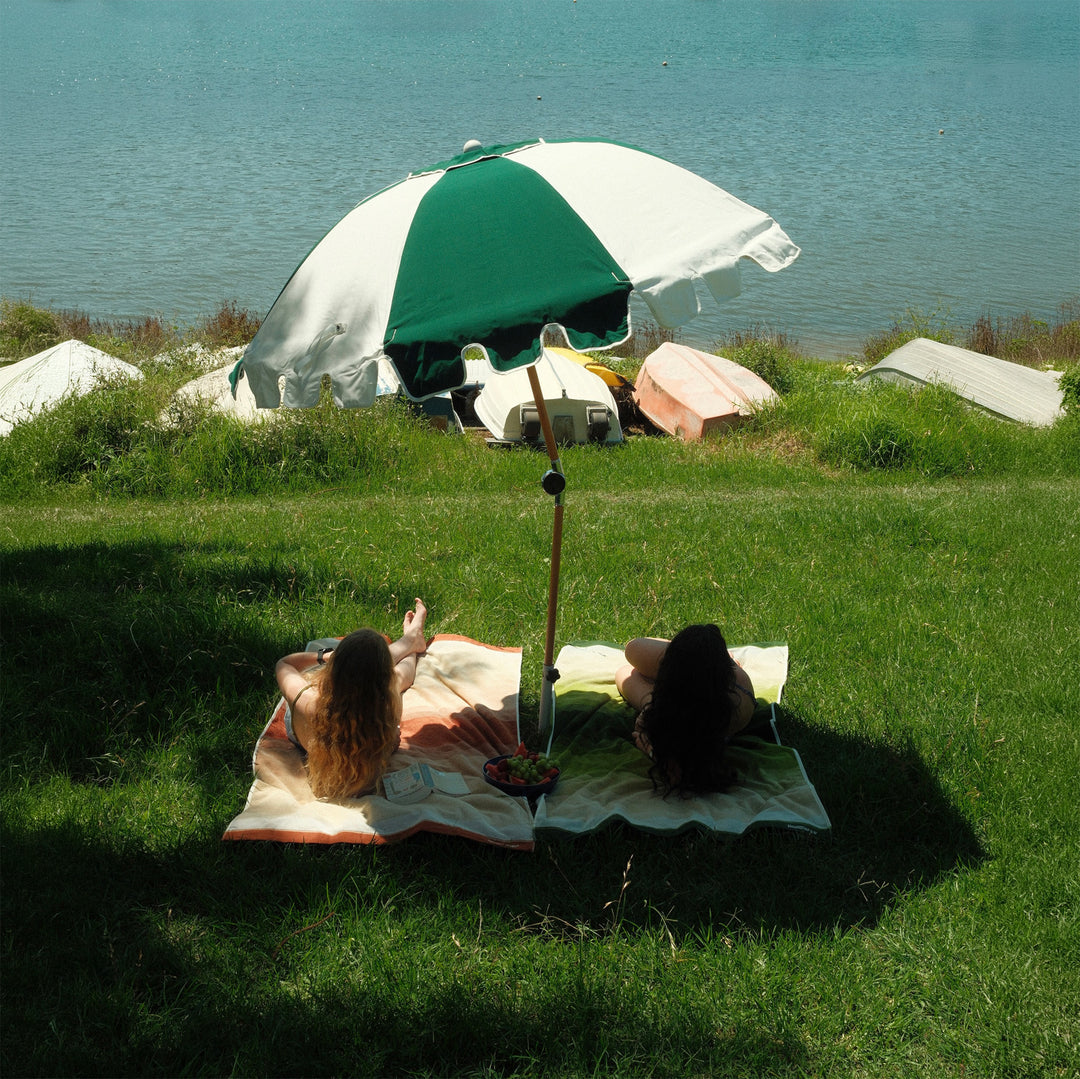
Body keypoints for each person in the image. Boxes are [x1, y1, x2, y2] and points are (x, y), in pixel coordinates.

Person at [274, 598, 428, 800]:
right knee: (386, 676)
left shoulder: (308, 702)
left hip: (308, 723)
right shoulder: (386, 711)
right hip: (371, 712)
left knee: (363, 667)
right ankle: (411, 641)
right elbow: (393, 677)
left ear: (332, 673)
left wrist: (325, 656)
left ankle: (410, 640)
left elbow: (284, 664)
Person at [614, 623, 756, 796]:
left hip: (703, 676)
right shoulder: (718, 703)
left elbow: (684, 774)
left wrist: (653, 748)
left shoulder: (736, 708)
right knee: (632, 649)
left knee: (626, 671)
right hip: (703, 670)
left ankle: (686, 651)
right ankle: (689, 651)